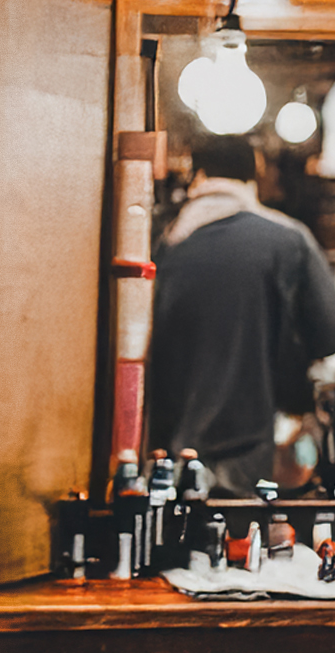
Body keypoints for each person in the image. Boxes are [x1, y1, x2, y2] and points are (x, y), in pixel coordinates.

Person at [152, 136, 335, 495]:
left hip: (164, 451)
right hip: (255, 449)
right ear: (253, 178)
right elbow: (328, 336)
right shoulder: (287, 240)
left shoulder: (163, 243)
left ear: (197, 176)